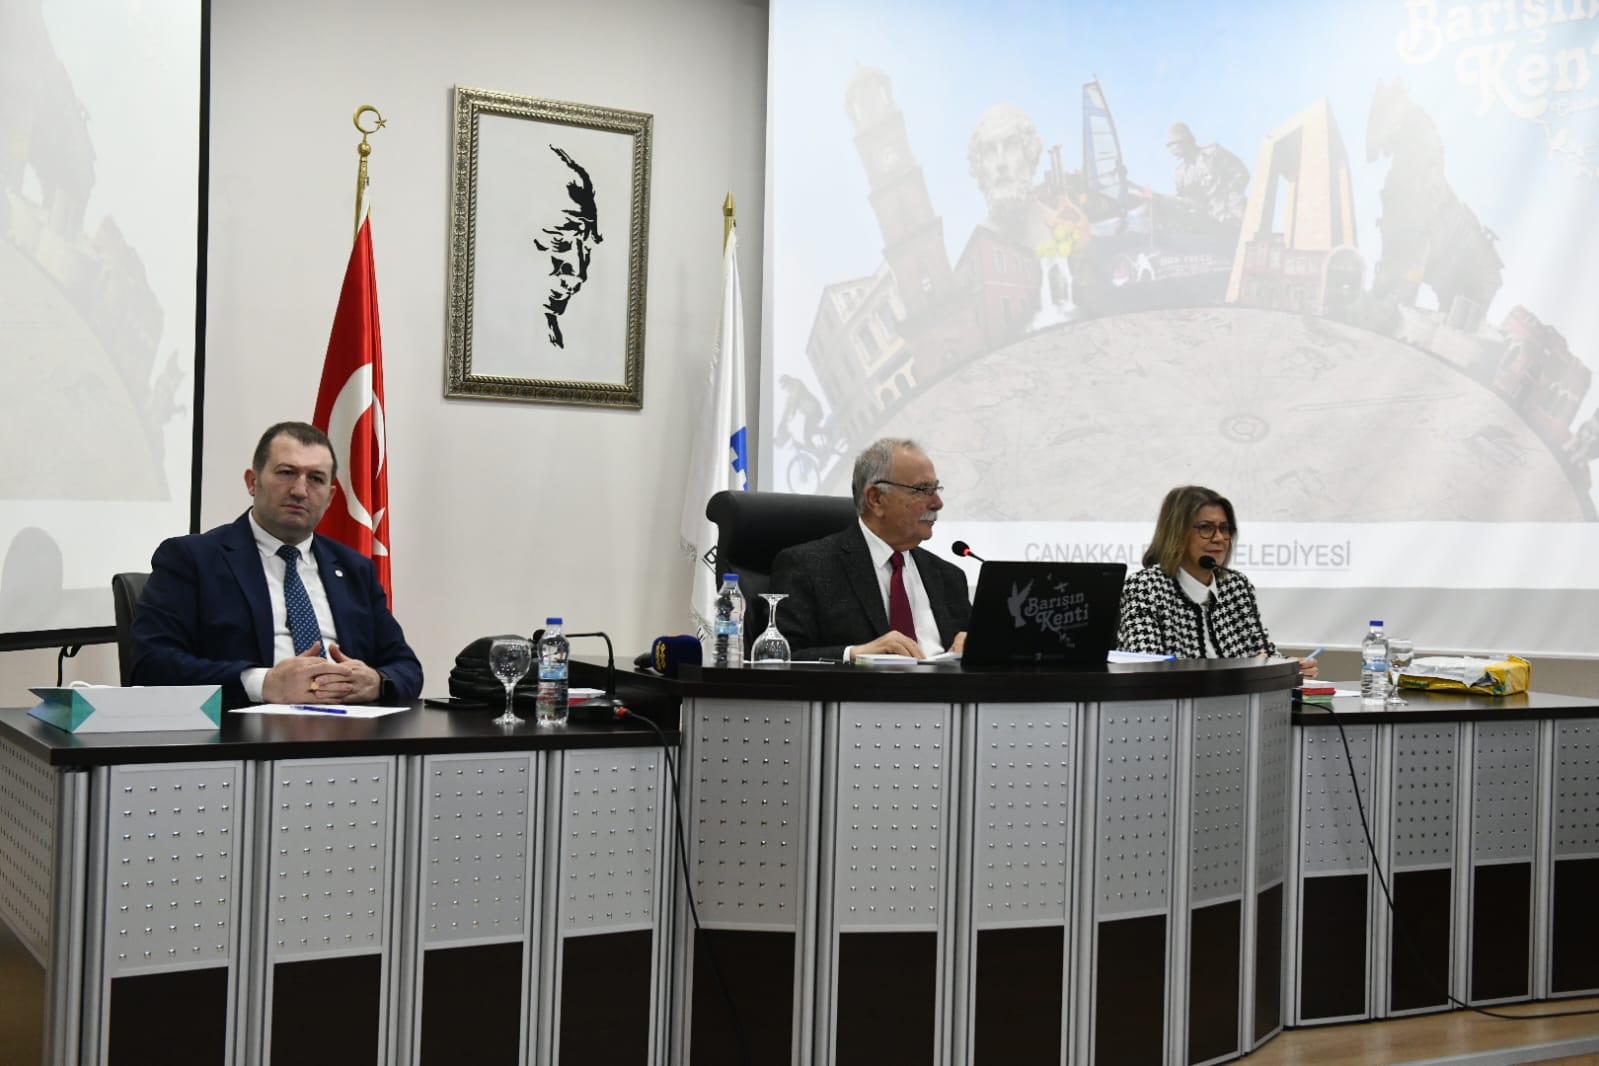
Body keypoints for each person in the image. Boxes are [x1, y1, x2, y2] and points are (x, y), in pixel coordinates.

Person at [131, 421, 423, 708]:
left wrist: (378, 681)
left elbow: (406, 666)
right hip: (245, 729)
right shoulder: (192, 559)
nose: (300, 490)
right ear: (252, 482)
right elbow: (150, 664)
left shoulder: (355, 569)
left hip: (351, 727)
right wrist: (263, 683)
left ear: (330, 497)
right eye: (286, 473)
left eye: (316, 478)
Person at [770, 438, 970, 662]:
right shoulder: (808, 567)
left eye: (936, 489)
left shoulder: (949, 577)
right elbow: (780, 656)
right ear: (876, 499)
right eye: (923, 490)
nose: (937, 503)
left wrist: (976, 649)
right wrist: (854, 654)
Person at [1117, 485, 1317, 677]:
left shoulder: (1236, 586)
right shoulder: (1145, 587)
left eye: (1224, 528)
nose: (1219, 537)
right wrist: (1242, 671)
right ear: (1177, 533)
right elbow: (1145, 668)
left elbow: (1262, 652)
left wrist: (1289, 666)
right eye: (1206, 528)